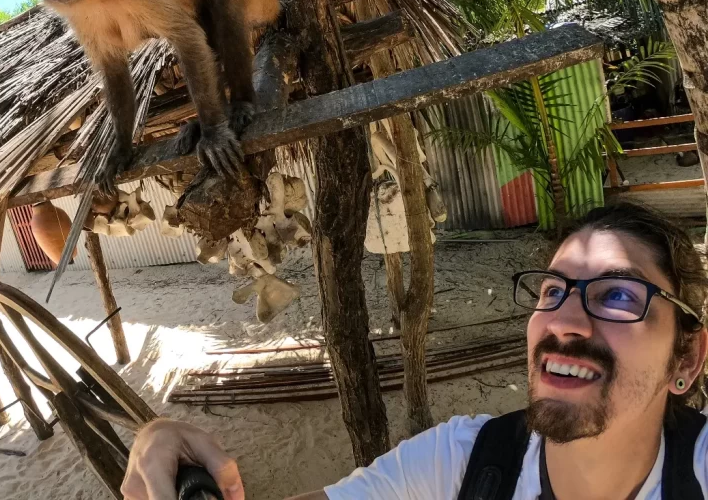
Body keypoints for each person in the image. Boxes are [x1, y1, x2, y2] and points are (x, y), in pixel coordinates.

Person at [121, 203, 708, 500]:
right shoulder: (465, 464)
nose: (567, 322)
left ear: (685, 359)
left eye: (620, 295)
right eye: (554, 290)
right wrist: (162, 437)